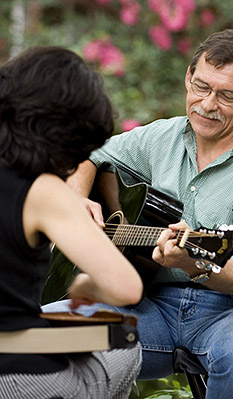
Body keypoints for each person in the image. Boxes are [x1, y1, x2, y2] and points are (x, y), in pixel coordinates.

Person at [43, 29, 233, 399]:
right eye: (201, 87)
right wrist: (76, 202)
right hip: (151, 310)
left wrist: (194, 261)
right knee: (39, 336)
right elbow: (88, 152)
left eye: (227, 96)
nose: (207, 104)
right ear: (188, 77)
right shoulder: (162, 137)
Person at [0, 47, 143, 398]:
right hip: (19, 377)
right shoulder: (43, 191)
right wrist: (86, 286)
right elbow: (126, 289)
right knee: (125, 346)